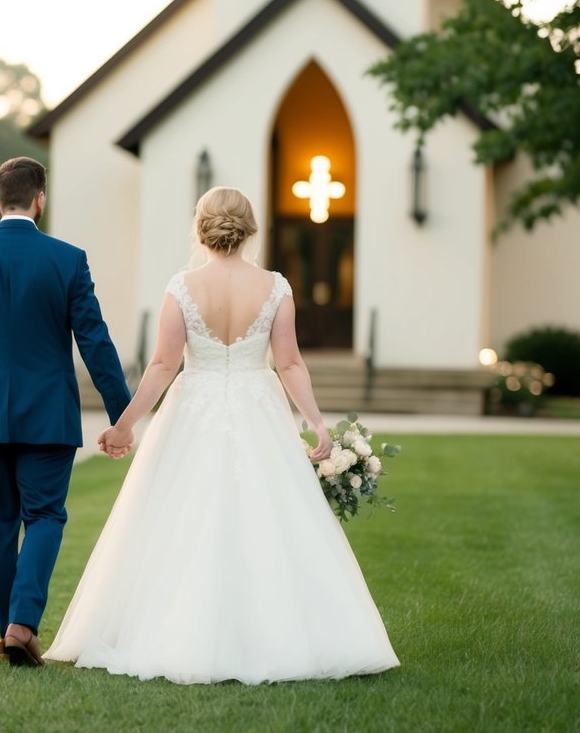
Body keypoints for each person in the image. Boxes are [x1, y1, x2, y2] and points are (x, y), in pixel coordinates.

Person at [43, 187, 400, 684]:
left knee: (180, 514)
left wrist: (125, 423)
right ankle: (283, 635)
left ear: (201, 228)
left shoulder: (183, 287)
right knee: (270, 514)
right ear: (250, 230)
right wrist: (316, 421)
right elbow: (290, 362)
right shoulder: (275, 287)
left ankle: (176, 631)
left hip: (195, 409)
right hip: (259, 408)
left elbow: (164, 363)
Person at [0, 156, 132, 668]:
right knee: (44, 515)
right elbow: (95, 342)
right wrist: (122, 414)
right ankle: (22, 625)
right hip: (48, 417)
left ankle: (9, 630)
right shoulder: (67, 259)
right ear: (40, 200)